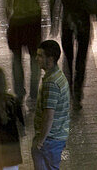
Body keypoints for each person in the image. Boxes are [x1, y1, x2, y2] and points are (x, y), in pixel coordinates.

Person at [52, 0, 97, 108]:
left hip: (67, 23)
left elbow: (53, 0)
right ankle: (78, 94)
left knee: (68, 59)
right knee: (81, 60)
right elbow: (95, 2)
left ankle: (68, 89)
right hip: (83, 25)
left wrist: (53, 22)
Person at [5, 0, 50, 107]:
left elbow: (7, 0)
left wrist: (8, 17)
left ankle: (19, 92)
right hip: (33, 20)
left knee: (16, 57)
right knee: (35, 57)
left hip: (17, 20)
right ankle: (33, 92)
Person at [31, 40, 70, 170]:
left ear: (51, 59)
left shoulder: (51, 83)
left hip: (50, 140)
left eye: (41, 56)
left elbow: (48, 115)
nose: (37, 59)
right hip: (56, 137)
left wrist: (40, 141)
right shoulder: (58, 75)